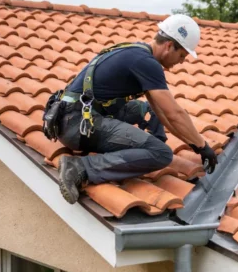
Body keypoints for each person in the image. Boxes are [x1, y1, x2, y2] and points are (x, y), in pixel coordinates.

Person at [49, 14, 218, 204]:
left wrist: (195, 146)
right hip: (78, 125)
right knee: (162, 154)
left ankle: (140, 154)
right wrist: (204, 146)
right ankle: (80, 167)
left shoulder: (136, 51)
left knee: (149, 111)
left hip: (73, 116)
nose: (181, 62)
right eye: (181, 56)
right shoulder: (146, 63)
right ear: (169, 46)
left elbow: (162, 113)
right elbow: (175, 113)